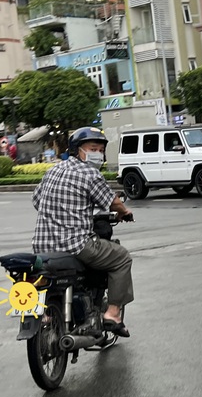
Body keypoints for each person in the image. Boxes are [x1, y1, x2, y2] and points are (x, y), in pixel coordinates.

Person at [32, 127, 135, 337]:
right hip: (76, 245)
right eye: (92, 148)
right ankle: (113, 314)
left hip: (42, 247)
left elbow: (36, 201)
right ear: (78, 150)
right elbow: (113, 202)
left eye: (100, 149)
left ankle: (49, 314)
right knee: (122, 257)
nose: (97, 154)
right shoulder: (90, 173)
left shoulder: (53, 170)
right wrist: (125, 212)